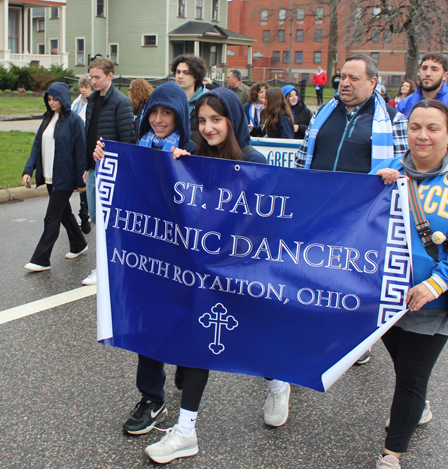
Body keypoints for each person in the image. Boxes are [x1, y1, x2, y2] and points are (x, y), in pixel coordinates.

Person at [143, 89, 291, 465]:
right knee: (202, 339)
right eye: (203, 120)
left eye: (216, 119)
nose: (208, 128)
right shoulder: (193, 156)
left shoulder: (255, 161)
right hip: (207, 273)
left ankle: (276, 380)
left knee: (254, 333)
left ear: (233, 121)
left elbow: (276, 218)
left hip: (248, 269)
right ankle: (186, 431)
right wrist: (176, 167)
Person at [371, 98, 448, 469]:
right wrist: (374, 186)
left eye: (433, 128)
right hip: (387, 298)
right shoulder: (390, 169)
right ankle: (418, 405)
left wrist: (436, 284)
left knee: (410, 376)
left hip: (433, 302)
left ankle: (392, 454)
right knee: (402, 362)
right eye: (415, 127)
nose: (422, 136)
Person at [93, 82, 197, 439]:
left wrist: (188, 167)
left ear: (180, 116)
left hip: (183, 261)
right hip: (146, 259)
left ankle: (186, 364)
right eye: (154, 112)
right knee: (147, 328)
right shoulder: (135, 151)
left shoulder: (192, 153)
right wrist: (105, 162)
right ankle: (151, 398)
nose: (158, 120)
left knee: (183, 324)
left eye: (167, 112)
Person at [295, 54, 408, 365]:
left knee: (351, 283)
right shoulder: (323, 114)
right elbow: (302, 158)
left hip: (360, 222)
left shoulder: (394, 121)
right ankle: (312, 335)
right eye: (342, 76)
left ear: (373, 82)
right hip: (318, 214)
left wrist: (396, 175)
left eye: (353, 78)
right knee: (313, 277)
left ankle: (356, 340)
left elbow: (404, 165)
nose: (344, 83)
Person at [22, 82, 88, 271]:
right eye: (49, 99)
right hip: (49, 177)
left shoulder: (75, 120)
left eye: (55, 99)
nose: (51, 103)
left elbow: (80, 151)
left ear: (63, 99)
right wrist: (28, 171)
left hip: (65, 177)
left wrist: (79, 180)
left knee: (51, 217)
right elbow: (36, 148)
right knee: (64, 213)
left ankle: (41, 259)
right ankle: (79, 243)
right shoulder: (47, 119)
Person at [82, 56, 135, 286]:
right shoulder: (92, 100)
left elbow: (128, 140)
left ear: (110, 76)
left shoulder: (121, 102)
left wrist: (122, 172)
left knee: (107, 220)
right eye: (91, 77)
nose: (93, 81)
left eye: (97, 77)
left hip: (111, 171)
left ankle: (104, 266)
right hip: (93, 169)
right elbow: (88, 135)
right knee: (95, 216)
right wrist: (85, 166)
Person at [397, 52, 448, 169]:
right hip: (409, 174)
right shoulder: (404, 105)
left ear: (445, 75)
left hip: (446, 176)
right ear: (419, 71)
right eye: (424, 68)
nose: (428, 73)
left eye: (434, 69)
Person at [71, 74, 93, 235]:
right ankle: (84, 208)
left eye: (86, 87)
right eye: (82, 87)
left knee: (88, 179)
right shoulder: (76, 104)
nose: (83, 90)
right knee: (81, 180)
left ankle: (88, 208)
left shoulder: (94, 104)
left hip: (90, 146)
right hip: (78, 145)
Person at [171, 54, 208, 143]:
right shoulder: (168, 98)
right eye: (178, 72)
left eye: (186, 73)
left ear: (196, 76)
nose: (180, 76)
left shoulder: (207, 99)